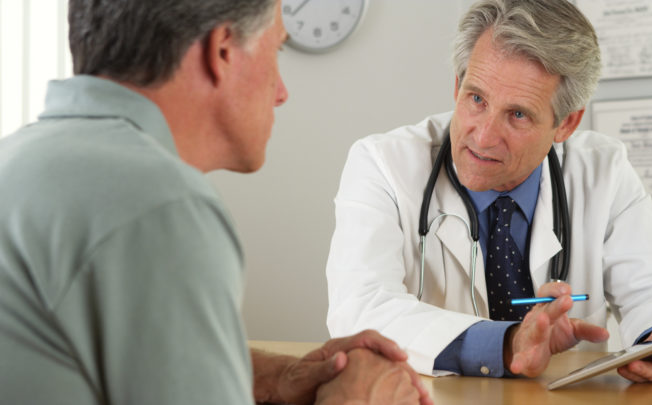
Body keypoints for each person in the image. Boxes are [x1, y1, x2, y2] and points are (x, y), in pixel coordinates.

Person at [0, 1, 430, 404]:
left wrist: (276, 376)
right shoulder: (160, 204)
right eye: (276, 49)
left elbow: (129, 353)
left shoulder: (21, 160)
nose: (281, 92)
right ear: (222, 50)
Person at [326, 0, 652, 383]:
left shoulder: (603, 170)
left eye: (517, 114)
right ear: (457, 86)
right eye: (476, 99)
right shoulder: (381, 163)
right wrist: (505, 345)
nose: (483, 137)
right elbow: (359, 309)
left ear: (566, 125)